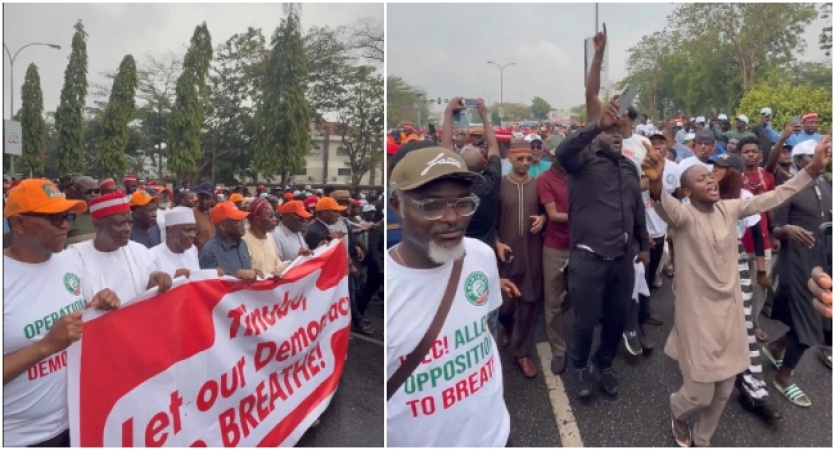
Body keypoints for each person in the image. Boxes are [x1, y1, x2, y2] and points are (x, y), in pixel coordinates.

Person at [642, 134, 830, 447]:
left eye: (712, 176)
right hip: (697, 318)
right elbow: (664, 205)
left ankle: (702, 439)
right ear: (687, 191)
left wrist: (811, 170)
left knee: (725, 390)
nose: (711, 180)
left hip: (730, 316)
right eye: (701, 179)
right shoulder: (683, 216)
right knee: (700, 393)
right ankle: (678, 411)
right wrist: (656, 182)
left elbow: (774, 196)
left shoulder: (729, 209)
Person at [386, 145, 510, 447]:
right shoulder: (389, 289)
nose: (453, 218)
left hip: (496, 436)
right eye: (432, 206)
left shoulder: (481, 255)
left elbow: (486, 329)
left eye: (463, 203)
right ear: (396, 205)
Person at [3, 179, 120, 447]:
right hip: (20, 437)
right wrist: (45, 346)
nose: (66, 225)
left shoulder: (71, 260)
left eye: (68, 216)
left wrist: (99, 305)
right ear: (19, 223)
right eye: (55, 218)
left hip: (78, 421)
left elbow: (79, 320)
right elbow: (55, 340)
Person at [557, 97, 649, 398]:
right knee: (584, 323)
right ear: (597, 135)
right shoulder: (581, 164)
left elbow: (637, 209)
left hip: (622, 259)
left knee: (616, 319)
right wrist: (598, 122)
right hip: (588, 258)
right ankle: (580, 367)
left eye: (619, 134)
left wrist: (643, 244)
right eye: (610, 132)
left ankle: (604, 363)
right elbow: (564, 150)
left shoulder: (629, 169)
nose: (615, 137)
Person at [765, 138, 833, 408]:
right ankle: (783, 377)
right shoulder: (788, 189)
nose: (823, 161)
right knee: (811, 325)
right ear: (800, 161)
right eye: (814, 157)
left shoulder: (826, 185)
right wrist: (788, 230)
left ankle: (776, 347)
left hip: (823, 262)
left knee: (815, 317)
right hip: (796, 262)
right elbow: (775, 229)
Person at [68, 193, 172, 305]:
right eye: (120, 223)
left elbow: (147, 287)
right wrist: (93, 306)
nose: (127, 228)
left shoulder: (140, 251)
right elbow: (74, 309)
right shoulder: (76, 258)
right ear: (97, 225)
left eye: (129, 222)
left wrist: (155, 281)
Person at [495, 147, 545, 377]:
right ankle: (507, 326)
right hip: (506, 256)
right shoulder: (500, 185)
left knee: (529, 302)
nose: (525, 162)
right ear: (510, 159)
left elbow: (549, 211)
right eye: (520, 158)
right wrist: (496, 243)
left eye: (528, 159)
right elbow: (489, 222)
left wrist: (544, 218)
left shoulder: (539, 184)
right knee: (505, 306)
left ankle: (521, 353)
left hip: (533, 254)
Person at [537, 151, 571, 374]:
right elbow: (554, 214)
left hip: (582, 244)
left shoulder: (580, 175)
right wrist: (588, 213)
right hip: (556, 245)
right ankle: (558, 349)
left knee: (581, 294)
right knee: (552, 300)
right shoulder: (545, 179)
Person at [199, 202, 262, 281]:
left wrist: (254, 273)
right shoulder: (209, 252)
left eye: (243, 220)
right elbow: (209, 286)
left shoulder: (242, 244)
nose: (243, 224)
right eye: (237, 221)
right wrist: (235, 275)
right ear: (223, 226)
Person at [242, 198, 289, 279]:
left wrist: (298, 259)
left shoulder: (270, 237)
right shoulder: (243, 241)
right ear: (257, 219)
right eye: (270, 216)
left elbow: (277, 266)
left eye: (274, 215)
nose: (275, 219)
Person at [150, 206, 203, 278]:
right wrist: (174, 278)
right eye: (188, 230)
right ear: (171, 231)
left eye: (194, 230)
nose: (193, 235)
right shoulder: (153, 256)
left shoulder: (193, 250)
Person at [65, 176, 100, 246]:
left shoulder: (104, 216)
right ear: (76, 194)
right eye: (88, 191)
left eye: (96, 191)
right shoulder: (66, 217)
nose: (93, 194)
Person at [192, 182, 216, 251]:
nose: (204, 201)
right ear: (198, 197)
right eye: (201, 198)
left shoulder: (215, 213)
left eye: (207, 198)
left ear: (213, 198)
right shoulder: (192, 215)